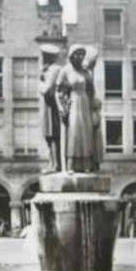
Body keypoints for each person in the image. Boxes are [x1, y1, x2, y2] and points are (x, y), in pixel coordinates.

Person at [56, 45, 96, 173]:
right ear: (71, 55)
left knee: (86, 132)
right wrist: (61, 107)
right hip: (73, 102)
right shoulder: (65, 70)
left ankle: (86, 164)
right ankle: (71, 164)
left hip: (84, 102)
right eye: (77, 54)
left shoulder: (85, 71)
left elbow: (91, 90)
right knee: (74, 131)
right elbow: (58, 91)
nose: (79, 57)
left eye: (81, 54)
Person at [38, 43, 63, 172]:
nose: (42, 58)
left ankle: (56, 165)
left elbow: (46, 89)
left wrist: (40, 81)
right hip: (48, 105)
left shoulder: (54, 69)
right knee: (49, 135)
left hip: (52, 106)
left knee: (53, 135)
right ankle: (52, 163)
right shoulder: (49, 69)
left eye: (43, 56)